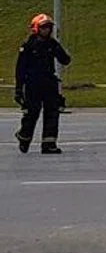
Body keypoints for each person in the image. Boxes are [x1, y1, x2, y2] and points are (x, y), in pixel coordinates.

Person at [14, 14, 71, 154]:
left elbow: (65, 60)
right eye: (43, 27)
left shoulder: (52, 44)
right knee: (32, 113)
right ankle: (24, 137)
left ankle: (49, 143)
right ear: (36, 28)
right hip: (33, 84)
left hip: (49, 83)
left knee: (52, 112)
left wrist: (58, 49)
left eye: (48, 27)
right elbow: (20, 69)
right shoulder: (27, 46)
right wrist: (18, 89)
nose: (46, 30)